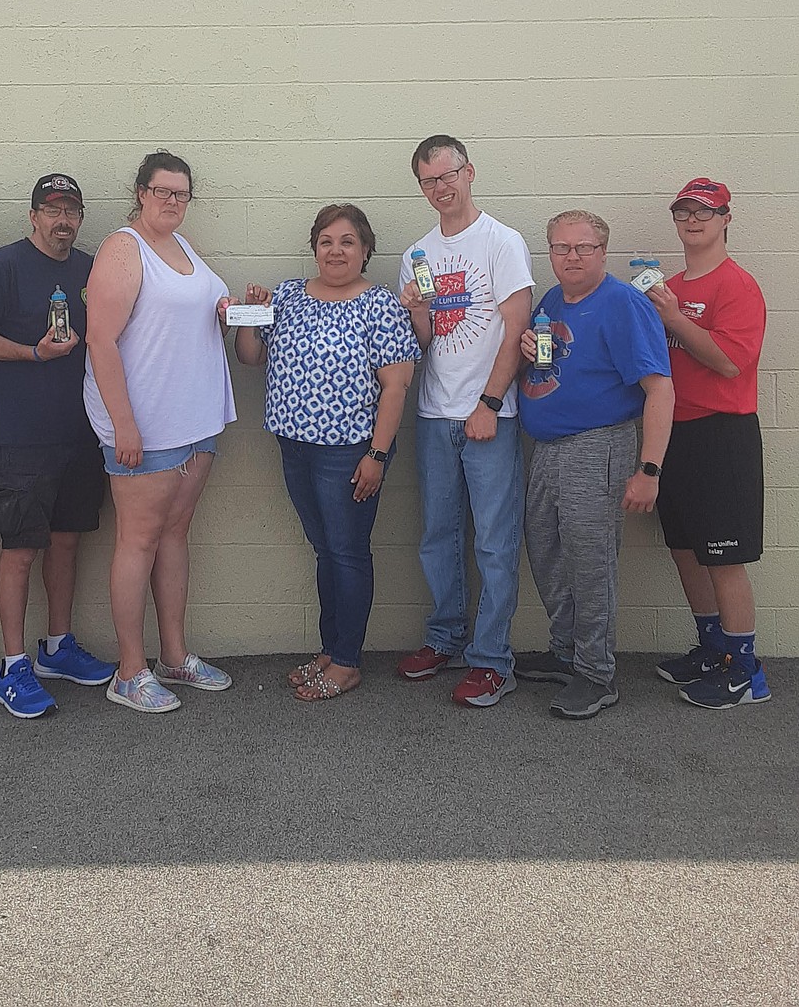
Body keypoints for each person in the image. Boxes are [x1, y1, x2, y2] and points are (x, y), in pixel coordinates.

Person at [235, 205, 419, 701]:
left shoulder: (379, 305)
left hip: (350, 452)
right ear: (314, 247)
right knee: (325, 552)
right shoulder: (291, 294)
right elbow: (251, 358)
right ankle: (331, 648)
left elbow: (396, 387)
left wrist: (377, 456)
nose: (335, 251)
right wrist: (250, 318)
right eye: (326, 241)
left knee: (347, 552)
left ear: (365, 250)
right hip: (294, 445)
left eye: (347, 242)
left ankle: (347, 661)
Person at [84, 151, 236, 713]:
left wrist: (225, 312)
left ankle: (174, 655)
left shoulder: (182, 245)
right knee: (139, 541)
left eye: (182, 193)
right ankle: (129, 671)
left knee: (174, 536)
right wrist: (124, 422)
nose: (172, 201)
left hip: (194, 422)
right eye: (162, 191)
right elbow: (100, 340)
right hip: (145, 429)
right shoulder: (125, 247)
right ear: (141, 192)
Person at [0, 174, 115, 719]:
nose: (63, 221)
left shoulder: (89, 268)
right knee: (21, 549)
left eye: (72, 211)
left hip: (81, 430)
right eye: (53, 210)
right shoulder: (5, 265)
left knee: (68, 542)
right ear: (33, 215)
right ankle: (13, 665)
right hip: (24, 432)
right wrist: (34, 354)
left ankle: (57, 646)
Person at [516, 212, 674, 719]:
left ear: (603, 251)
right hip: (548, 448)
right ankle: (566, 651)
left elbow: (660, 388)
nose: (572, 257)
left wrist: (648, 469)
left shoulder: (623, 303)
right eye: (562, 248)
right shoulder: (552, 301)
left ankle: (596, 672)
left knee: (590, 560)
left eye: (583, 247)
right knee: (545, 550)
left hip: (597, 445)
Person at [396, 135, 534, 707]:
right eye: (428, 180)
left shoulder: (501, 242)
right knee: (438, 535)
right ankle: (445, 636)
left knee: (496, 543)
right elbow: (426, 343)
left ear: (469, 172)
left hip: (489, 416)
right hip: (434, 413)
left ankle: (491, 659)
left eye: (448, 175)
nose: (440, 188)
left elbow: (515, 322)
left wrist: (490, 404)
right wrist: (417, 312)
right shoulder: (417, 254)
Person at [647, 179, 771, 708]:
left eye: (705, 211)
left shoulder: (736, 285)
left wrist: (673, 318)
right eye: (684, 211)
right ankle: (712, 649)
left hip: (723, 433)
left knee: (723, 556)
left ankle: (746, 673)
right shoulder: (669, 286)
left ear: (726, 218)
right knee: (685, 549)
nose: (693, 220)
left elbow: (728, 361)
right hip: (676, 432)